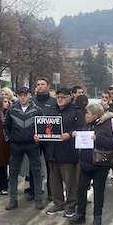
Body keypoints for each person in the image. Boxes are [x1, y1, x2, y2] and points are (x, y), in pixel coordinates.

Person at [69, 103, 113, 225]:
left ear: (95, 115)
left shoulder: (107, 125)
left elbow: (111, 142)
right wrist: (75, 134)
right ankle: (80, 214)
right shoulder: (87, 124)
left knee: (98, 190)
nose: (86, 115)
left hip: (100, 164)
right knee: (81, 188)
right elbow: (82, 136)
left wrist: (98, 138)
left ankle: (97, 215)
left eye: (88, 113)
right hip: (86, 162)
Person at [4, 86, 44, 210]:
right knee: (13, 173)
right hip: (16, 145)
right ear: (18, 96)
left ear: (29, 95)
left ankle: (38, 199)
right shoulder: (12, 110)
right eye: (20, 95)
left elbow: (42, 127)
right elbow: (6, 127)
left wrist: (39, 138)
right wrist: (9, 139)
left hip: (32, 145)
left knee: (36, 172)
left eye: (25, 95)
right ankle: (13, 200)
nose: (22, 97)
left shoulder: (37, 110)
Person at [44, 87, 82, 217]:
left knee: (70, 181)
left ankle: (70, 205)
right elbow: (45, 126)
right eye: (58, 97)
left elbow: (82, 128)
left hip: (68, 151)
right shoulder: (52, 110)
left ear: (70, 97)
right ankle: (58, 203)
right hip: (52, 151)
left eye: (63, 97)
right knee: (54, 181)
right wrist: (39, 135)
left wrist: (70, 134)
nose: (60, 99)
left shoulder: (76, 112)